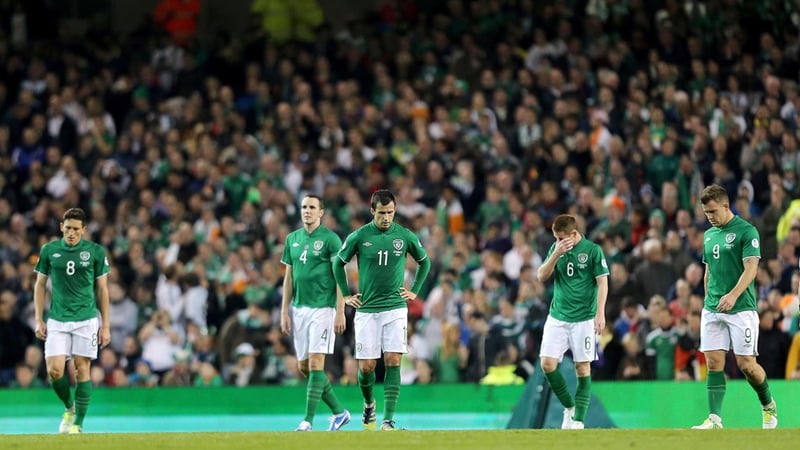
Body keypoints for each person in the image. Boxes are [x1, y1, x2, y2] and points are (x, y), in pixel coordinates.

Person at [333, 189, 431, 430]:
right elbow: (338, 263)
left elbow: (424, 261)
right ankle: (369, 404)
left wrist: (414, 291)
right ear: (372, 211)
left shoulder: (404, 235)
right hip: (367, 309)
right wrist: (346, 294)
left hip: (395, 308)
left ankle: (388, 420)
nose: (386, 218)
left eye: (390, 212)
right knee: (367, 367)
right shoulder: (359, 236)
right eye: (382, 213)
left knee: (393, 359)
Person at [692, 184, 777, 429]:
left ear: (726, 206)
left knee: (746, 366)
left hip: (741, 308)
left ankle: (768, 405)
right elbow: (708, 271)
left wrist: (732, 295)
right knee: (713, 363)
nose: (710, 217)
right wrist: (708, 300)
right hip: (713, 309)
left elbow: (751, 268)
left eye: (713, 211)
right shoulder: (709, 235)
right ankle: (715, 419)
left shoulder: (747, 231)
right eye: (706, 213)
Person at [33, 207, 111, 434]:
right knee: (54, 371)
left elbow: (102, 290)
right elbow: (40, 285)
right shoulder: (49, 250)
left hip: (86, 319)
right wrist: (38, 319)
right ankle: (70, 407)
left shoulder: (95, 252)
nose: (71, 233)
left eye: (76, 229)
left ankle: (78, 424)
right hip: (57, 319)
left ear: (84, 230)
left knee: (82, 370)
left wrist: (105, 325)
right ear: (61, 227)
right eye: (68, 228)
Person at [280, 194, 350, 431]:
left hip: (323, 308)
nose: (307, 211)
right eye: (304, 207)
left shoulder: (331, 239)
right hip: (299, 309)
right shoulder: (292, 239)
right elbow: (289, 278)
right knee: (304, 367)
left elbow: (340, 276)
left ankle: (307, 421)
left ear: (321, 212)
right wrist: (284, 311)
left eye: (312, 207)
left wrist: (340, 310)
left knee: (316, 363)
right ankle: (339, 412)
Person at [536, 214, 609, 429]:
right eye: (556, 238)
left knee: (582, 368)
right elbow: (541, 276)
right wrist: (555, 254)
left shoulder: (593, 251)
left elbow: (602, 283)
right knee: (547, 364)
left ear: (574, 234)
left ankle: (578, 421)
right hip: (558, 317)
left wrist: (600, 313)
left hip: (584, 319)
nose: (558, 242)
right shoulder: (556, 249)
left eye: (561, 238)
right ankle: (569, 407)